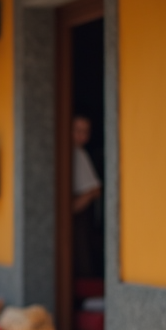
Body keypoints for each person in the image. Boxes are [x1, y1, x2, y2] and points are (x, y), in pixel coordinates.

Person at [72, 114, 102, 278]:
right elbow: (94, 190)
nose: (81, 136)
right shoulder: (75, 153)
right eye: (77, 130)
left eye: (86, 131)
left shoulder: (80, 153)